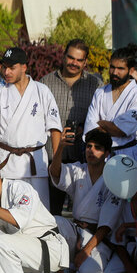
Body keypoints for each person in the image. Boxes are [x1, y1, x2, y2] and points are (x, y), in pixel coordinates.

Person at [0, 47, 62, 207]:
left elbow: (55, 128)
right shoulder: (0, 92)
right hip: (7, 163)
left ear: (24, 67)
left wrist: (56, 162)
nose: (6, 72)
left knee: (38, 214)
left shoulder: (41, 90)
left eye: (11, 67)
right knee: (8, 212)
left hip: (35, 163)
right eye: (4, 67)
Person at [49, 128, 123, 273]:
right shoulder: (79, 170)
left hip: (98, 237)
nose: (91, 150)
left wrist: (86, 251)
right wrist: (60, 148)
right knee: (53, 221)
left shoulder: (112, 179)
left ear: (106, 154)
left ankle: (97, 262)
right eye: (89, 146)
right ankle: (59, 268)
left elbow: (106, 225)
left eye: (97, 147)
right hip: (76, 230)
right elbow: (56, 173)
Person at [40, 39, 103, 214]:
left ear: (85, 62)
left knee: (84, 212)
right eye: (71, 58)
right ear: (63, 56)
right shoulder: (46, 82)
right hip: (53, 156)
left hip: (82, 158)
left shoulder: (95, 85)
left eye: (79, 60)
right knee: (51, 211)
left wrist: (86, 129)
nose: (74, 63)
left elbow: (101, 114)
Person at [83, 44, 137, 180]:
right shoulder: (100, 93)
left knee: (129, 199)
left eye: (120, 69)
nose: (114, 72)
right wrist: (110, 126)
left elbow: (122, 130)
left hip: (128, 157)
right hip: (101, 157)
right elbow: (90, 130)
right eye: (112, 67)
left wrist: (101, 123)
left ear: (131, 71)